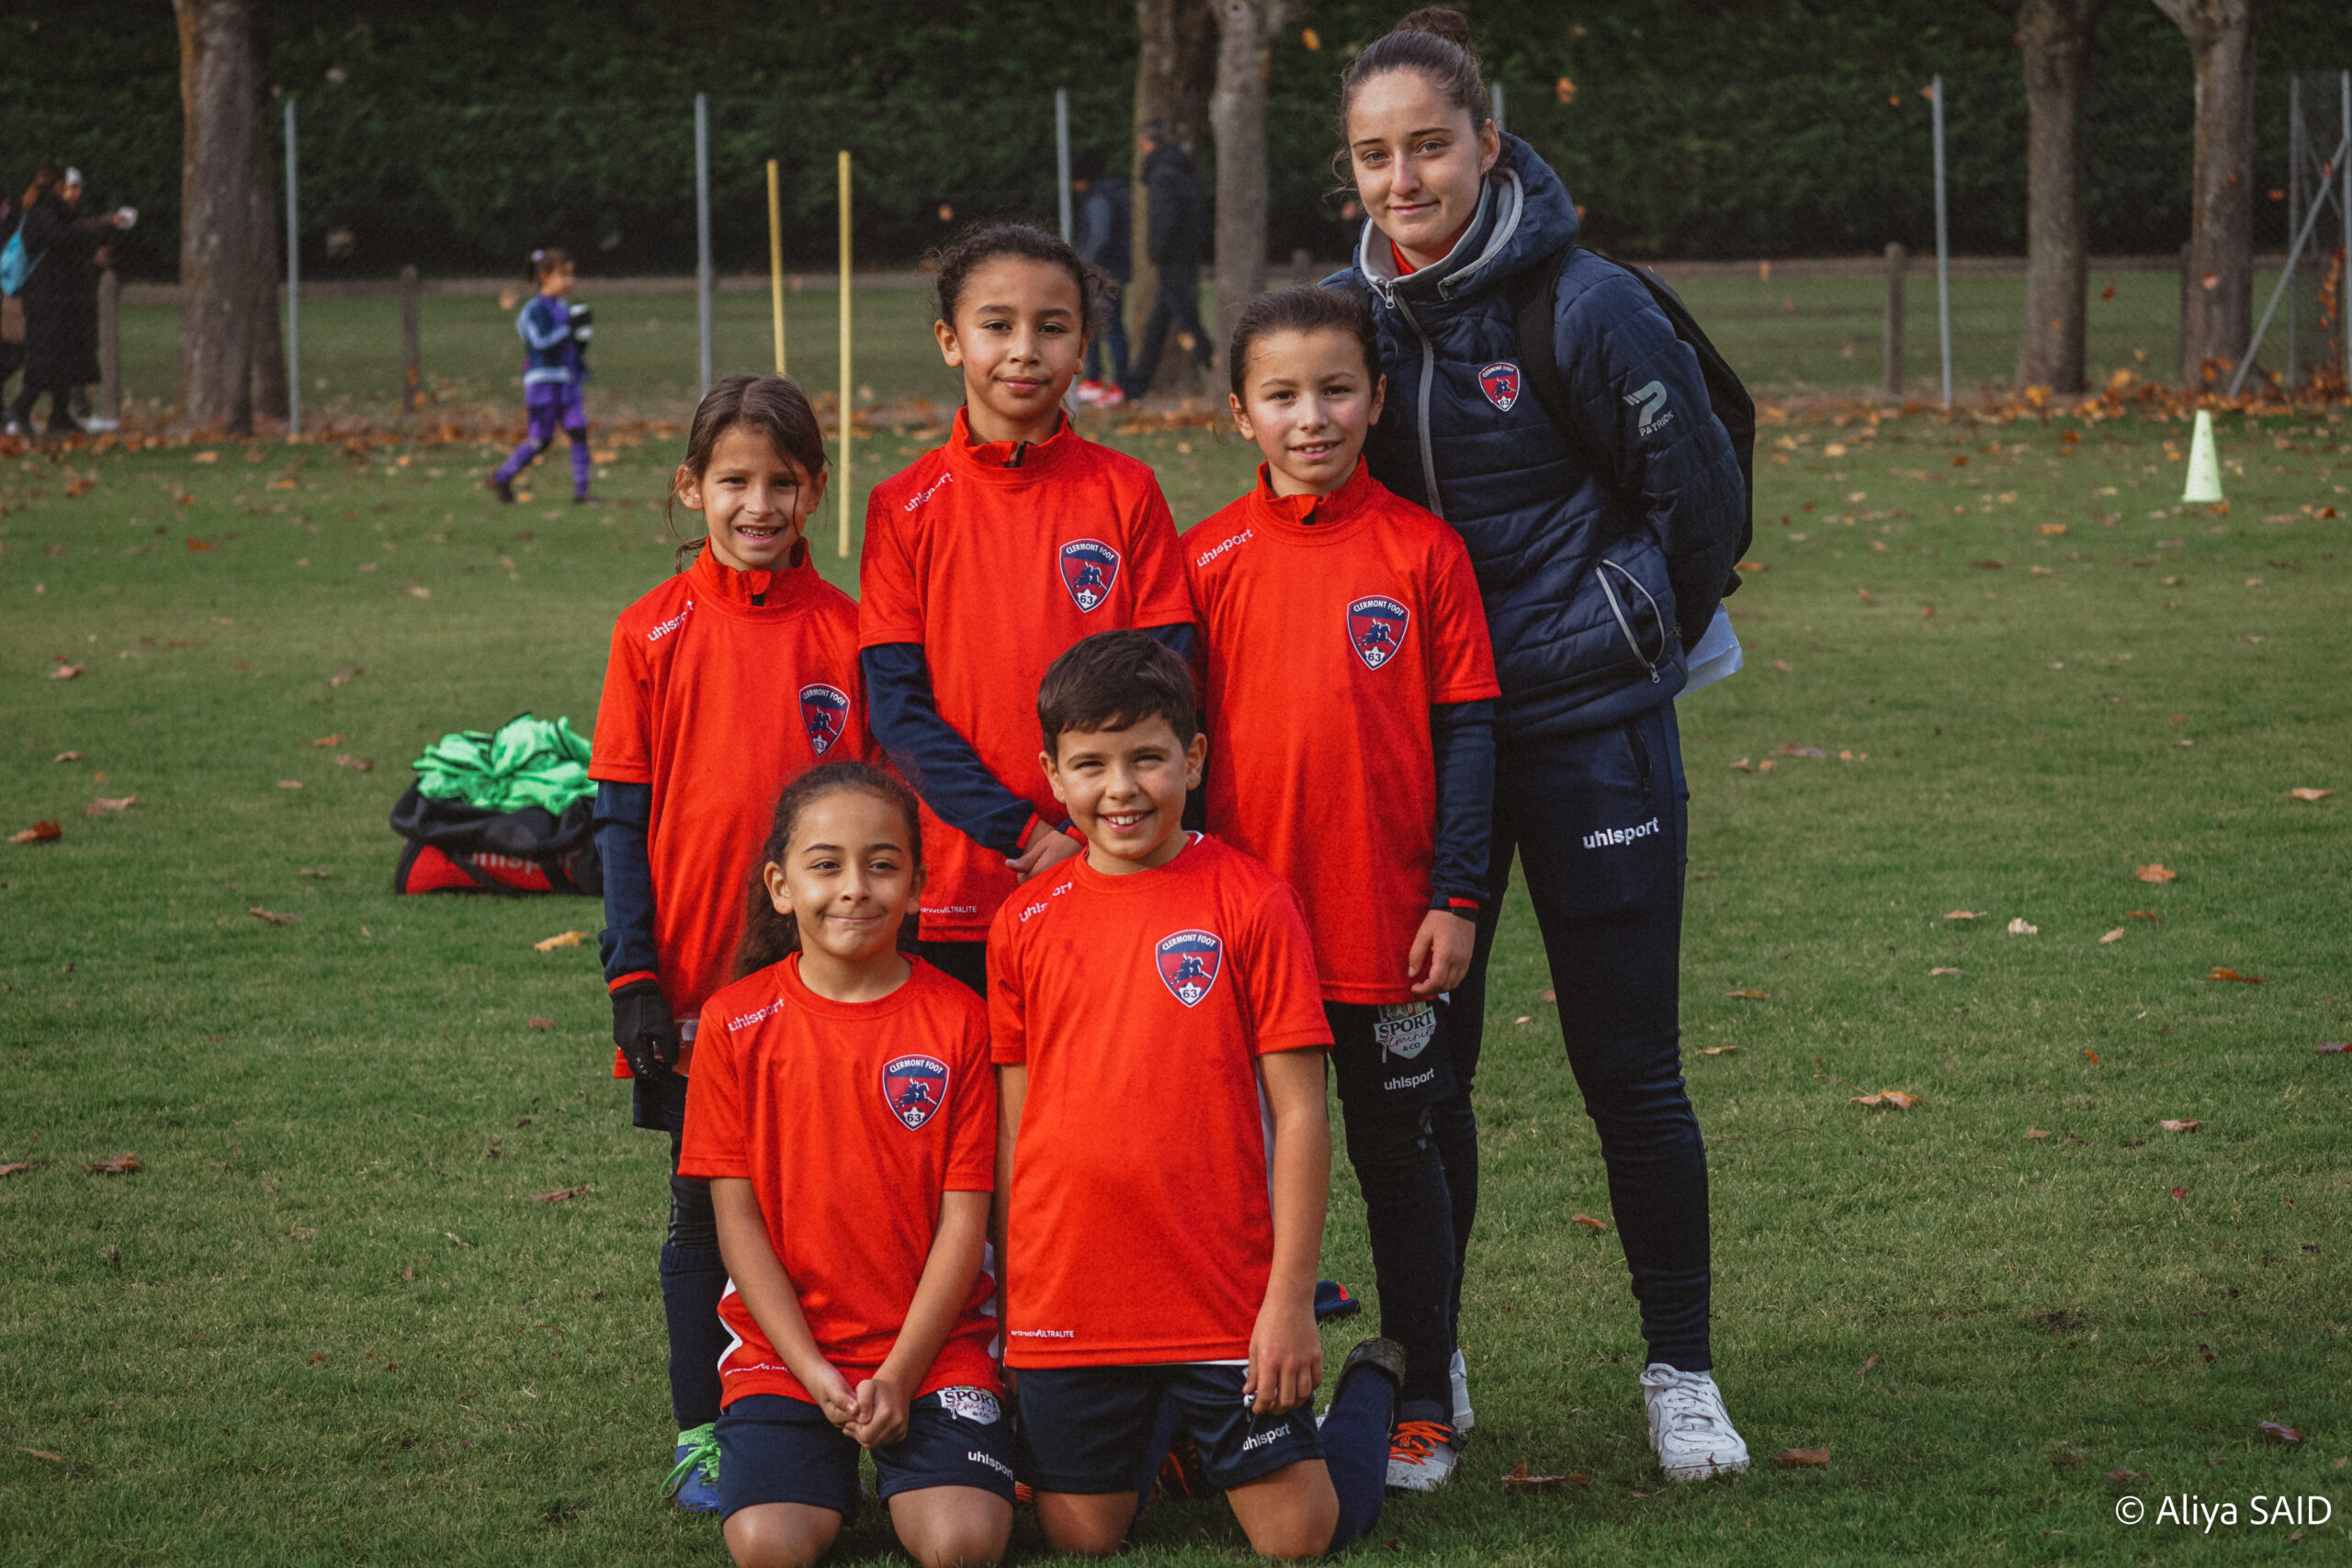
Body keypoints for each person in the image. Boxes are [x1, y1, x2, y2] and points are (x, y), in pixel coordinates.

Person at [1327, 7, 1751, 1482]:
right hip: (1420, 759)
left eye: (1429, 145)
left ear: (1487, 144)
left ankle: (1682, 1369)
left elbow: (1701, 504)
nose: (1404, 179)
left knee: (1628, 1070)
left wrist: (1609, 640)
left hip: (1590, 739)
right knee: (1420, 1080)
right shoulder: (1345, 317)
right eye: (1375, 155)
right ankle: (1432, 1374)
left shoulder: (1586, 301)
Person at [989, 629, 1404, 1558]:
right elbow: (1017, 1123)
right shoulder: (1021, 925)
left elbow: (1299, 1112)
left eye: (1147, 758)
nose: (1121, 789)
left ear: (1195, 757)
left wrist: (1288, 1302)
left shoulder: (1251, 902)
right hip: (1072, 1291)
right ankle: (1163, 1428)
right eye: (1090, 765)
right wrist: (1015, 1295)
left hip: (1220, 1293)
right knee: (1080, 1537)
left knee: (1296, 1538)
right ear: (1052, 775)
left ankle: (1372, 1390)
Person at [1186, 285, 1498, 1491]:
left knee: (1398, 1151)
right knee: (1235, 1159)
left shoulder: (1425, 551)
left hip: (1385, 924)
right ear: (1240, 413)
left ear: (1375, 398)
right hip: (1243, 933)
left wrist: (1456, 895)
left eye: (1334, 389)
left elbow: (1470, 734)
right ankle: (1229, 1383)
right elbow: (1177, 750)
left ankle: (1422, 1385)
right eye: (1282, 394)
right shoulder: (1203, 555)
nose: (1309, 416)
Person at [588, 374, 874, 1512]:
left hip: (826, 974)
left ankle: (840, 1399)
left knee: (840, 1195)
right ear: (690, 487)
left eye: (781, 483)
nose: (757, 504)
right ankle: (705, 1429)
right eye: (733, 481)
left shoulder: (849, 632)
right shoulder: (648, 630)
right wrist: (634, 975)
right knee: (704, 1209)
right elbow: (616, 814)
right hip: (697, 984)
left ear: (815, 489)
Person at [678, 761, 1013, 1568]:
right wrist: (812, 1369)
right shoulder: (733, 1024)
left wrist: (899, 1374)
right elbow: (738, 1222)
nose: (855, 888)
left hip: (937, 1351)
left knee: (962, 1544)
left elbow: (967, 1220)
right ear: (781, 885)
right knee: (767, 1546)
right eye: (825, 864)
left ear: (918, 884)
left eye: (882, 863)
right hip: (785, 1354)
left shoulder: (963, 1022)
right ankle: (818, 1460)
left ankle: (928, 1452)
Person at [859, 221, 1192, 998]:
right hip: (960, 880)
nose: (1024, 349)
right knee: (973, 1112)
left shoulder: (1128, 491)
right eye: (997, 325)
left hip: (1111, 857)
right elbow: (897, 709)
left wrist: (1086, 833)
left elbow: (1169, 680)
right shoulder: (903, 506)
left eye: (1052, 328)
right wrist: (1023, 832)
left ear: (1082, 348)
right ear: (951, 340)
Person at [4, 165, 126, 438]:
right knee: (45, 358)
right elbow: (62, 238)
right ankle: (19, 409)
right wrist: (99, 227)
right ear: (57, 185)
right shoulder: (44, 214)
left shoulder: (49, 212)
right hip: (48, 300)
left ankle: (60, 415)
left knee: (62, 358)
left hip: (57, 299)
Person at [491, 248, 594, 502]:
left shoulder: (564, 308)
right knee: (541, 439)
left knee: (578, 431)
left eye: (572, 275)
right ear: (545, 276)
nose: (570, 281)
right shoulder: (532, 311)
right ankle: (503, 476)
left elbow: (572, 348)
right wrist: (568, 328)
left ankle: (582, 493)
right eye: (564, 275)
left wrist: (583, 334)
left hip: (568, 382)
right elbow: (541, 343)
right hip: (543, 384)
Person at [1118, 123, 1212, 402]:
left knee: (1186, 321)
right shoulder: (1185, 172)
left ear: (1146, 144)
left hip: (1171, 258)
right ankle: (1136, 386)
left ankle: (1218, 365)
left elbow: (1165, 219)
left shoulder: (1162, 176)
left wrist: (1157, 254)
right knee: (1160, 323)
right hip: (1185, 255)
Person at [1069, 152, 1130, 406]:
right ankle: (1095, 379)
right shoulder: (1110, 195)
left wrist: (1082, 264)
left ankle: (1119, 385)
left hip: (1103, 273)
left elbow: (1099, 237)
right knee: (1095, 326)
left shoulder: (1098, 200)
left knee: (1110, 327)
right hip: (1110, 272)